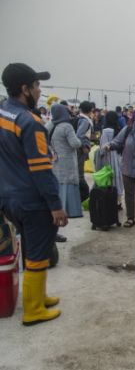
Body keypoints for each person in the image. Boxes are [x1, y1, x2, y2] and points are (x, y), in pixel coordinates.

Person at [0, 63, 67, 325]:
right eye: (37, 86)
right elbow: (41, 168)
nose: (40, 91)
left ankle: (40, 295)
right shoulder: (30, 122)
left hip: (10, 200)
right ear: (24, 89)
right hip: (32, 200)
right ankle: (33, 309)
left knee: (29, 247)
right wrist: (55, 205)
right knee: (38, 252)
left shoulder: (4, 115)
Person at [49, 104, 83, 219]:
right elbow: (75, 143)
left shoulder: (51, 125)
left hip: (56, 158)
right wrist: (80, 140)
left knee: (59, 183)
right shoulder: (66, 126)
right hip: (67, 159)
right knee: (69, 182)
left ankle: (59, 208)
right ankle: (71, 210)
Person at [97, 111, 124, 208]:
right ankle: (119, 202)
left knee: (110, 179)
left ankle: (110, 202)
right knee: (118, 179)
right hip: (118, 157)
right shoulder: (119, 129)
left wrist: (100, 154)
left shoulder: (106, 131)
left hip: (109, 157)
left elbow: (103, 147)